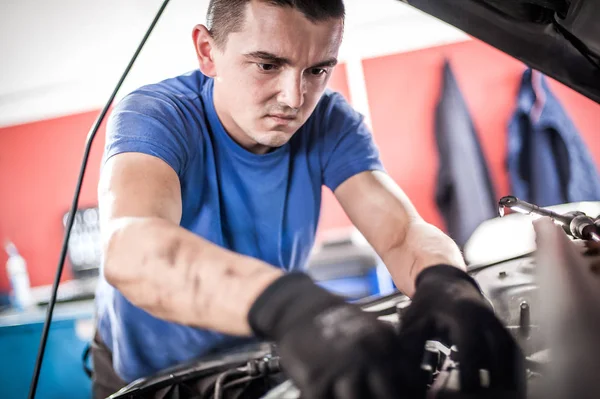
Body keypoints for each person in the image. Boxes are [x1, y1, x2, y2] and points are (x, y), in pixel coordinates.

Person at [93, 0, 525, 398]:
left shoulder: (331, 122)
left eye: (317, 70)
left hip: (260, 354)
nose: (294, 99)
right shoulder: (158, 115)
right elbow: (130, 246)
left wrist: (446, 281)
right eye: (267, 64)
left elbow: (400, 233)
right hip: (150, 374)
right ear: (208, 51)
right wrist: (290, 305)